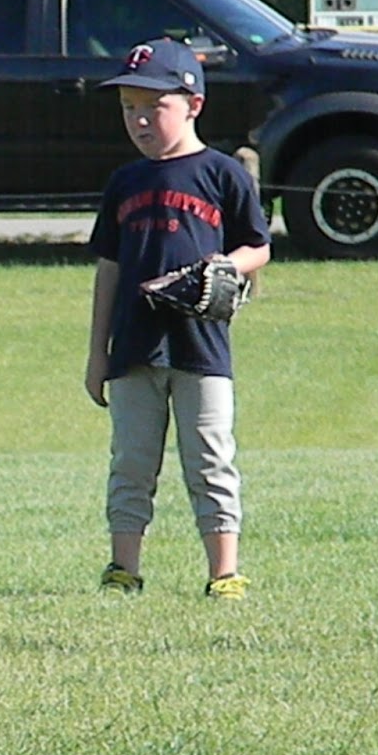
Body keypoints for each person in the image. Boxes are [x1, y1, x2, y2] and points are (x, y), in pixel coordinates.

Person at [83, 39, 272, 600]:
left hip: (201, 344)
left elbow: (257, 247)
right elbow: (109, 271)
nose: (139, 119)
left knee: (210, 455)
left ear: (192, 104)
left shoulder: (220, 173)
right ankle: (124, 568)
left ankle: (224, 572)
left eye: (153, 106)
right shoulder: (125, 182)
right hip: (134, 347)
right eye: (128, 108)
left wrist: (224, 264)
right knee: (132, 462)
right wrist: (97, 353)